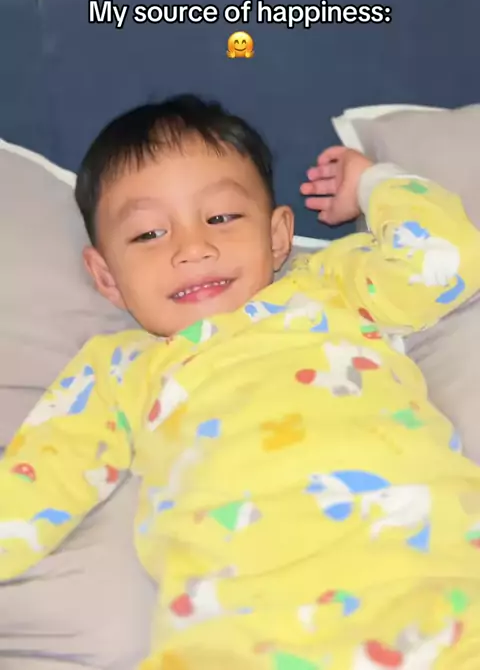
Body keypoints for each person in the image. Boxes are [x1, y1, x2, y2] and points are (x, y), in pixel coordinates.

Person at [1, 95, 480, 670]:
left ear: (278, 237)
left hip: (438, 599)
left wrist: (373, 183)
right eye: (149, 234)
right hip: (239, 638)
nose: (193, 248)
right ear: (105, 275)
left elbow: (446, 261)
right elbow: (38, 483)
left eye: (221, 218)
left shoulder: (332, 288)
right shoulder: (119, 369)